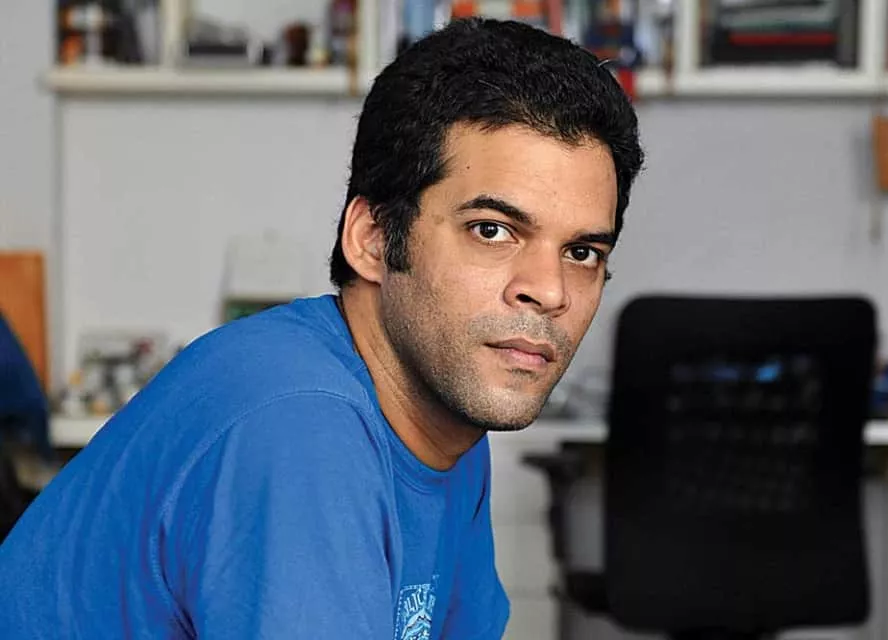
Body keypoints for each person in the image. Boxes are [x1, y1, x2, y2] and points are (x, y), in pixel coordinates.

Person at [0, 17, 642, 639]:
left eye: (582, 252)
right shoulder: (299, 427)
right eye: (492, 230)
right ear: (372, 239)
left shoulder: (448, 410)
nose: (550, 290)